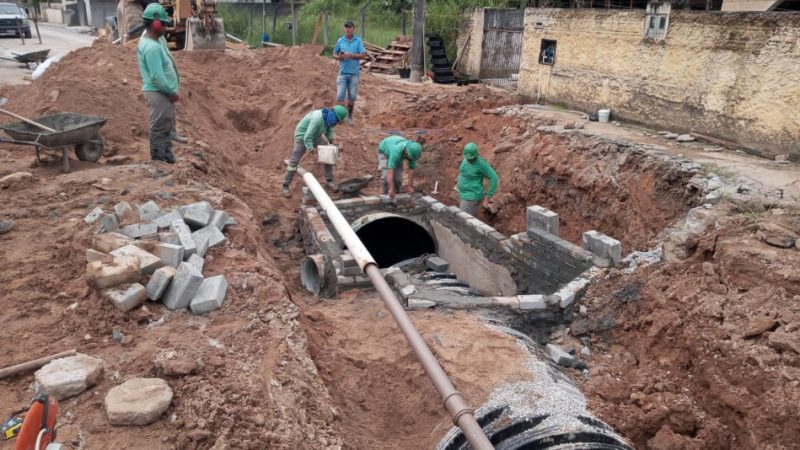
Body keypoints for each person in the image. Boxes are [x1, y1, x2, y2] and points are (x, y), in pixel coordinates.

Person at [136, 3, 179, 163]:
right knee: (159, 128)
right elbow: (157, 76)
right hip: (159, 92)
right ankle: (158, 162)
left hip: (160, 92)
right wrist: (170, 92)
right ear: (155, 24)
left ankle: (167, 158)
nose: (166, 28)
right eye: (164, 24)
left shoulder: (154, 41)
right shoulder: (151, 47)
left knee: (164, 126)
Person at [282, 105, 349, 197]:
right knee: (294, 160)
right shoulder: (317, 119)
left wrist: (331, 142)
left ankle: (329, 181)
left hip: (315, 135)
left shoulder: (328, 117)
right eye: (337, 120)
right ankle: (285, 185)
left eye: (337, 122)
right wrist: (313, 152)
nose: (336, 123)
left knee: (328, 153)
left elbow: (328, 130)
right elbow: (307, 137)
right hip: (302, 136)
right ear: (334, 115)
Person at [332, 21, 366, 125]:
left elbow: (363, 55)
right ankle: (341, 117)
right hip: (342, 73)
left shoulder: (358, 41)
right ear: (344, 29)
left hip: (354, 74)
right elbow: (334, 53)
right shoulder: (340, 40)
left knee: (351, 97)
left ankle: (350, 116)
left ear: (353, 29)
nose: (348, 29)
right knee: (340, 96)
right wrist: (339, 57)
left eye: (350, 27)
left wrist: (350, 55)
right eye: (346, 27)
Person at [457, 143, 498, 216]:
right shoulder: (467, 157)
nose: (469, 160)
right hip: (464, 194)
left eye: (471, 158)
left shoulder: (481, 164)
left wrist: (488, 196)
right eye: (468, 158)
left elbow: (494, 177)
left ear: (476, 154)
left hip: (471, 196)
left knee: (464, 221)